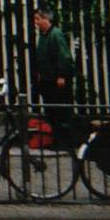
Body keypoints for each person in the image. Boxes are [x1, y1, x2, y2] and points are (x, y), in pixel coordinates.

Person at [32, 8, 77, 146]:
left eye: (38, 19)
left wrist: (62, 75)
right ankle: (56, 139)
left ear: (46, 19)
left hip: (56, 81)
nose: (36, 22)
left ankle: (64, 141)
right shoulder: (44, 36)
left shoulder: (56, 34)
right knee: (51, 111)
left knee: (60, 111)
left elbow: (64, 56)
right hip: (47, 80)